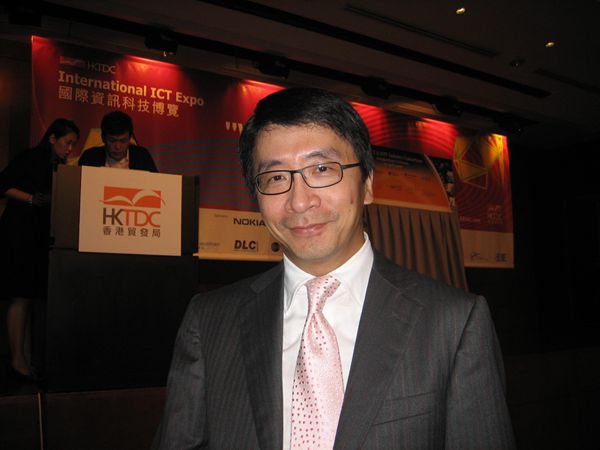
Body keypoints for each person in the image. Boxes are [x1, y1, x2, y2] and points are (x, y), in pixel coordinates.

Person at [153, 88, 515, 449]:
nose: (299, 201)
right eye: (276, 178)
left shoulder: (453, 323)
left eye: (323, 169)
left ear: (367, 184)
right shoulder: (209, 322)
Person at [0, 118, 79, 382]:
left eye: (73, 144)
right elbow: (2, 184)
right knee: (20, 296)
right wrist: (31, 199)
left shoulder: (59, 166)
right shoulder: (31, 157)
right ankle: (17, 360)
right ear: (52, 138)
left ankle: (24, 359)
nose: (70, 149)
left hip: (38, 238)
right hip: (19, 235)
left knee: (30, 298)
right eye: (67, 142)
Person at [78, 110, 158, 172]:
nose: (118, 147)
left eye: (123, 141)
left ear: (130, 138)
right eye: (112, 141)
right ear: (103, 138)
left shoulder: (142, 157)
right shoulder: (90, 158)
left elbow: (155, 184)